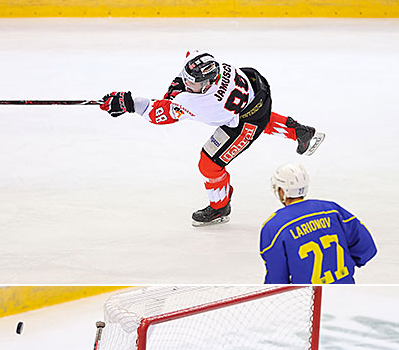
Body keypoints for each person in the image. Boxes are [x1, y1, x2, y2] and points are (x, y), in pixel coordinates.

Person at [99, 50, 324, 226]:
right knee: (257, 117)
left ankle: (220, 207)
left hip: (245, 117)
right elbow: (190, 60)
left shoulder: (203, 103)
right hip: (257, 90)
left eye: (193, 84)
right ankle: (299, 131)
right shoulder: (207, 63)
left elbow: (159, 114)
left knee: (209, 164)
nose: (188, 85)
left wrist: (129, 103)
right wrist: (176, 90)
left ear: (207, 84)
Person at [260, 163, 377, 285]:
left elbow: (276, 279)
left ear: (282, 191)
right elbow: (366, 248)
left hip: (307, 295)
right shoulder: (332, 210)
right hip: (345, 290)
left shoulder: (273, 226)